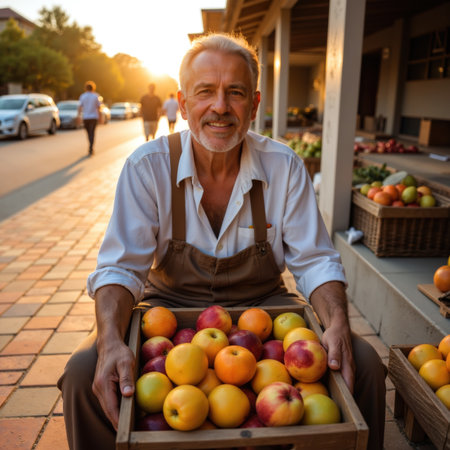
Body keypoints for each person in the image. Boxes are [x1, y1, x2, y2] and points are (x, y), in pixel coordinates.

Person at [58, 33, 386, 450]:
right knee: (83, 371)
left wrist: (338, 323)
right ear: (182, 100)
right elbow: (120, 268)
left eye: (235, 92)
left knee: (369, 366)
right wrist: (109, 342)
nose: (219, 106)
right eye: (205, 92)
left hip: (266, 312)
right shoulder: (148, 167)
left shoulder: (283, 167)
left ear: (254, 103)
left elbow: (316, 261)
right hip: (168, 312)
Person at [78, 81, 101, 155]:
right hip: (94, 117)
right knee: (92, 133)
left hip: (86, 118)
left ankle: (90, 147)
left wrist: (78, 116)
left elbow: (80, 107)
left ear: (85, 88)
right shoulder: (96, 96)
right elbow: (99, 107)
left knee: (88, 133)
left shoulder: (82, 96)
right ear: (93, 88)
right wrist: (100, 117)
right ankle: (91, 147)